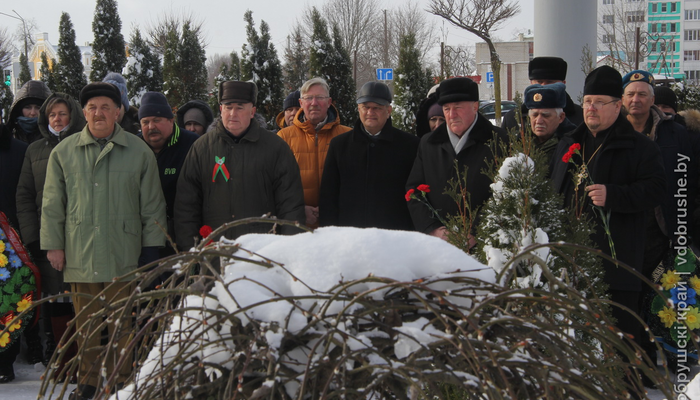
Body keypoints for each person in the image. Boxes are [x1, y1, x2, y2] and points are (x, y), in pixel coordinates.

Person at [40, 82, 166, 400]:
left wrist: (152, 250)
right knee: (86, 325)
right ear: (84, 113)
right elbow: (53, 203)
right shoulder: (63, 153)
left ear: (118, 112)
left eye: (106, 107)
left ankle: (123, 382)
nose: (99, 113)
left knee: (124, 324)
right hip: (80, 252)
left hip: (124, 254)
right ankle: (89, 382)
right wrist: (53, 245)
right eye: (93, 107)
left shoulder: (139, 153)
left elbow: (152, 206)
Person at [549, 66, 665, 384]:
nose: (591, 108)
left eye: (600, 101)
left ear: (618, 106)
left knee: (620, 347)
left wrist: (614, 195)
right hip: (572, 263)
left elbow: (656, 189)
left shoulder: (640, 147)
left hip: (618, 264)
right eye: (587, 101)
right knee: (575, 346)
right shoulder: (568, 142)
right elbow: (554, 191)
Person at [174, 81, 305, 250]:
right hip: (215, 252)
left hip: (262, 252)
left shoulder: (275, 148)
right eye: (228, 107)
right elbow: (186, 206)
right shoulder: (201, 148)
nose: (233, 113)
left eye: (240, 107)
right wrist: (191, 251)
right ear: (221, 110)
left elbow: (290, 205)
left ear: (252, 112)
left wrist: (289, 250)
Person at [16, 92, 85, 373]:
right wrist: (34, 237)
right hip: (47, 238)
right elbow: (24, 196)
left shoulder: (85, 143)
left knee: (79, 297)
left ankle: (81, 352)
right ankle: (56, 351)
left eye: (62, 113)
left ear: (74, 116)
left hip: (81, 236)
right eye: (52, 114)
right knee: (53, 296)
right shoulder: (34, 150)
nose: (57, 118)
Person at [406, 77, 508, 245]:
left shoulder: (499, 141)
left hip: (485, 245)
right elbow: (413, 190)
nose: (451, 115)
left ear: (475, 106)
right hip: (439, 244)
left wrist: (476, 232)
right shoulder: (428, 143)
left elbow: (504, 193)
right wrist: (433, 228)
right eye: (446, 109)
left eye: (458, 108)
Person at [319, 81, 418, 230]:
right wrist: (329, 232)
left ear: (389, 110)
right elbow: (328, 195)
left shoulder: (410, 145)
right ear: (358, 109)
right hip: (349, 235)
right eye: (366, 107)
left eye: (377, 108)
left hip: (394, 235)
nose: (370, 113)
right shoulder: (339, 145)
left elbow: (415, 195)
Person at [278, 78, 351, 227]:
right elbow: (276, 185)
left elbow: (356, 183)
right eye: (309, 98)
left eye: (320, 98)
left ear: (329, 102)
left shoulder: (348, 136)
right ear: (301, 103)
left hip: (338, 225)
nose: (314, 103)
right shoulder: (283, 138)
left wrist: (332, 209)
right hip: (297, 225)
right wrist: (299, 210)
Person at [138, 92, 199, 256]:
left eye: (157, 120)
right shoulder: (134, 148)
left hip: (183, 238)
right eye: (145, 122)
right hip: (143, 240)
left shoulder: (193, 145)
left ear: (171, 121)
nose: (151, 127)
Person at [0, 118, 29, 383]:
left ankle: (5, 362)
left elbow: (25, 195)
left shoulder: (19, 151)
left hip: (10, 240)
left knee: (9, 300)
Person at [502, 57, 584, 134]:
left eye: (550, 82)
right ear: (531, 83)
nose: (544, 86)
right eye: (539, 82)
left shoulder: (581, 117)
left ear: (563, 84)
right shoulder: (513, 118)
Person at [522, 82, 576, 163]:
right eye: (535, 115)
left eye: (546, 115)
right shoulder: (519, 141)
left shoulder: (573, 143)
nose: (539, 121)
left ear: (561, 117)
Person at [7, 80, 52, 144]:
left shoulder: (53, 137)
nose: (32, 113)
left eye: (38, 108)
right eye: (27, 107)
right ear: (19, 110)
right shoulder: (7, 137)